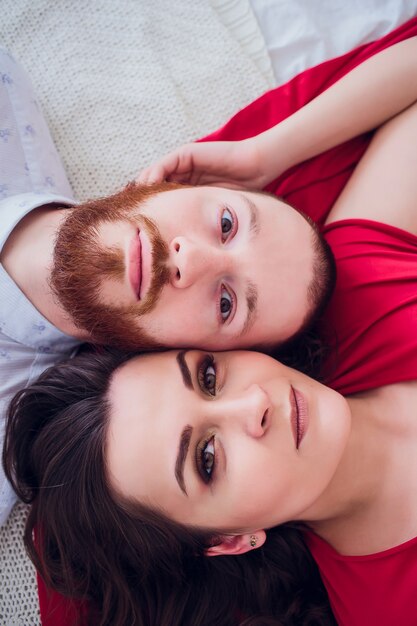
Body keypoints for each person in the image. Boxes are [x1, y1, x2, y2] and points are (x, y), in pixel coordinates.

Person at [5, 71, 417, 625]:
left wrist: (266, 153)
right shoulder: (386, 609)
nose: (254, 407)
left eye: (207, 377)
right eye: (207, 459)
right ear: (230, 541)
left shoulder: (363, 292)